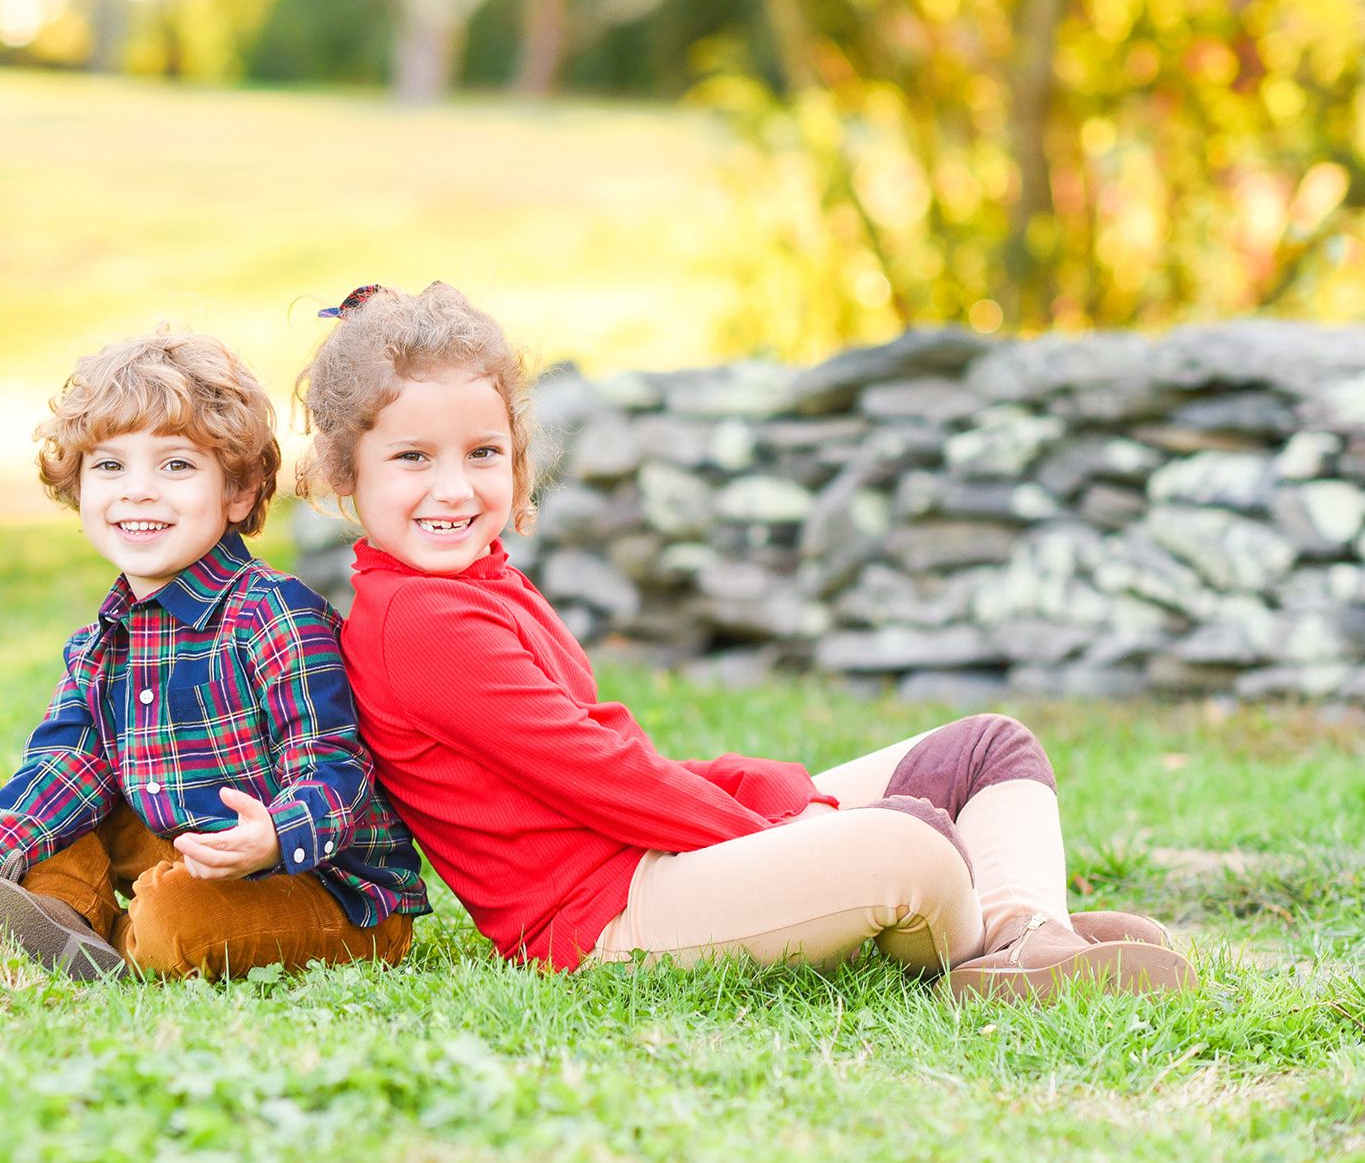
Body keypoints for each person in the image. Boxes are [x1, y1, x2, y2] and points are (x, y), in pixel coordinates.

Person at [294, 281, 1192, 1001]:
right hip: (603, 919)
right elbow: (600, 778)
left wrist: (762, 806)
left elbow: (616, 754)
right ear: (347, 474)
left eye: (482, 454)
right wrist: (783, 825)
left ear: (516, 463)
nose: (453, 488)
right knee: (909, 841)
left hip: (648, 858)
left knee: (988, 748)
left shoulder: (478, 582)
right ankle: (1009, 952)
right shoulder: (419, 623)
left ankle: (1029, 936)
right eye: (413, 459)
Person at [0, 330, 428, 979]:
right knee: (55, 829)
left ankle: (116, 942)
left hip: (328, 889)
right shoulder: (102, 645)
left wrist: (275, 834)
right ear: (78, 486)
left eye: (175, 465)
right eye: (110, 465)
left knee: (173, 919)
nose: (139, 490)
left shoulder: (275, 616)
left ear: (237, 492)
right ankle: (60, 920)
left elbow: (336, 771)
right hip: (190, 848)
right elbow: (53, 776)